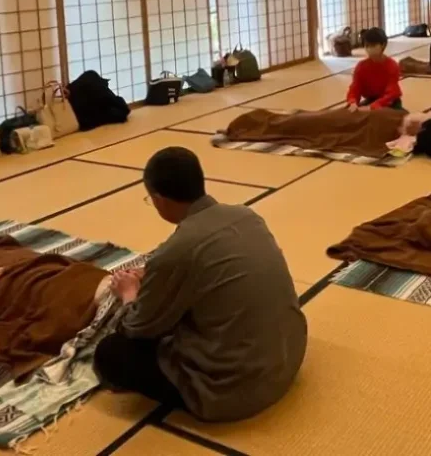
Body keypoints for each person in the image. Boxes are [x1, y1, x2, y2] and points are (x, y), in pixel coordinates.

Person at [93, 147, 307, 420]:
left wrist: (129, 293)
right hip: (286, 357)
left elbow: (137, 328)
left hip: (235, 388)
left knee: (112, 354)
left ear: (158, 199)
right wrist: (157, 273)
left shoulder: (177, 251)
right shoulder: (247, 215)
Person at [345, 27, 403, 111]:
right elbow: (355, 88)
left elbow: (391, 93)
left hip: (390, 102)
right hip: (371, 100)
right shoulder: (361, 66)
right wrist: (352, 102)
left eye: (373, 45)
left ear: (383, 45)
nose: (369, 49)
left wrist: (372, 107)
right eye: (367, 46)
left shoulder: (392, 66)